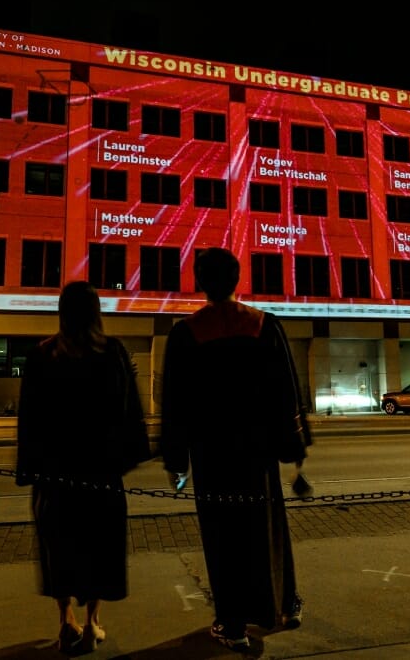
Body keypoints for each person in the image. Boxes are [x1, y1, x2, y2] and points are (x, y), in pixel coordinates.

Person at [159, 247, 311, 651]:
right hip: (257, 450)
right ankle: (285, 602)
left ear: (200, 282)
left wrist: (175, 458)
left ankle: (232, 621)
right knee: (269, 528)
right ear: (236, 279)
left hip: (212, 453)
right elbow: (285, 391)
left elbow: (175, 402)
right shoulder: (263, 325)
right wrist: (293, 444)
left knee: (223, 537)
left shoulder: (186, 333)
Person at [16, 281, 150, 654]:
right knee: (99, 547)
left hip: (55, 473)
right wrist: (127, 458)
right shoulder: (112, 352)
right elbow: (130, 414)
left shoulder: (42, 355)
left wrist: (29, 468)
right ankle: (91, 624)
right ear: (96, 312)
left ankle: (64, 622)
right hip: (100, 472)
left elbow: (29, 420)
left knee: (58, 548)